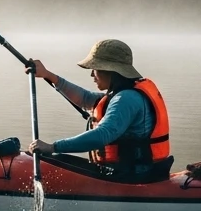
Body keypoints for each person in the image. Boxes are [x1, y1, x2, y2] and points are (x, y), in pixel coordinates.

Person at [27, 39, 173, 181]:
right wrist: (47, 75)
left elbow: (102, 135)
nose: (92, 75)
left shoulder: (126, 99)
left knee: (53, 159)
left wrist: (53, 147)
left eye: (95, 69)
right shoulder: (123, 93)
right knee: (55, 160)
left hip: (133, 176)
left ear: (110, 71)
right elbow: (84, 98)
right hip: (127, 170)